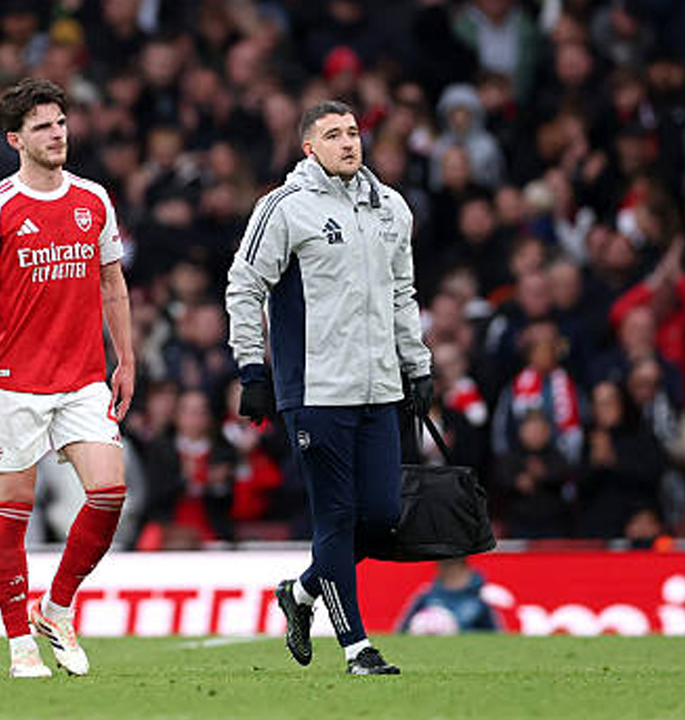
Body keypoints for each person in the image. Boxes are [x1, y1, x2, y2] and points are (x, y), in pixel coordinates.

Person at [225, 100, 432, 676]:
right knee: (336, 517)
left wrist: (417, 366)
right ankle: (357, 647)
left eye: (354, 132)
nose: (349, 142)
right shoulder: (284, 208)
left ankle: (303, 591)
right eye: (334, 135)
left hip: (380, 389)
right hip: (315, 391)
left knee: (383, 514)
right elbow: (245, 286)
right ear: (308, 148)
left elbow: (402, 294)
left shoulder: (390, 207)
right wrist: (253, 370)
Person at [0, 78, 133, 679]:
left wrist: (125, 359)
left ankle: (55, 608)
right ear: (16, 140)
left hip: (82, 378)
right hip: (11, 383)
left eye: (60, 123)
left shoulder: (94, 200)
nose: (58, 134)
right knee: (14, 508)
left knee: (109, 492)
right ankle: (17, 645)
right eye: (43, 127)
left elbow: (113, 284)